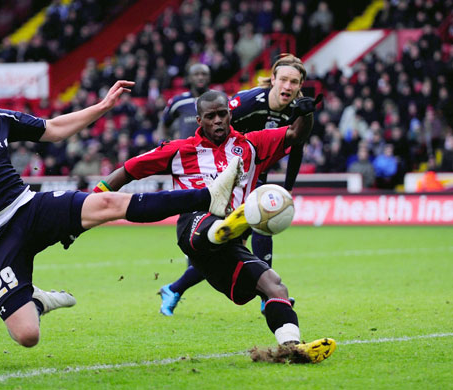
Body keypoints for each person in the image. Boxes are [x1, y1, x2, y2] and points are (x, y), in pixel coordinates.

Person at [0, 59, 242, 348]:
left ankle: (208, 196)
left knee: (107, 203)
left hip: (27, 208)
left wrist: (102, 107)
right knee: (27, 335)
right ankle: (37, 301)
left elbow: (53, 129)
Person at [101, 90, 335, 363]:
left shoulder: (251, 145)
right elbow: (128, 170)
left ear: (230, 113)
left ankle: (292, 348)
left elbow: (295, 134)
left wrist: (306, 113)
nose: (217, 121)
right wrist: (94, 198)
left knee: (275, 286)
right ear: (199, 120)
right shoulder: (180, 150)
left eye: (222, 114)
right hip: (193, 228)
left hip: (227, 247)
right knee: (209, 219)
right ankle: (227, 223)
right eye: (210, 117)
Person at [159, 53, 311, 316]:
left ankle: (175, 288)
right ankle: (266, 295)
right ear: (273, 79)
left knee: (237, 241)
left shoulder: (299, 109)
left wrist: (288, 187)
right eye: (284, 79)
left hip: (254, 172)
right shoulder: (248, 102)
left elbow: (296, 146)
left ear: (300, 85)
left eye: (294, 82)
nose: (288, 86)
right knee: (244, 233)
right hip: (224, 173)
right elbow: (215, 124)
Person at [156, 63, 211, 140]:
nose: (200, 77)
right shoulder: (178, 101)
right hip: (187, 150)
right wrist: (163, 143)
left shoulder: (220, 99)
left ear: (209, 77)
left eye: (204, 74)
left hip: (213, 149)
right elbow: (164, 123)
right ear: (189, 78)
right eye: (196, 74)